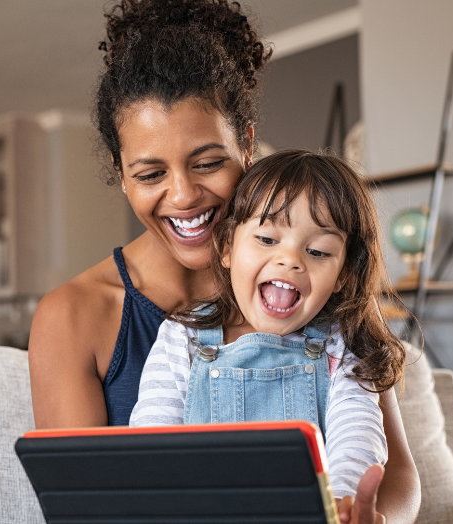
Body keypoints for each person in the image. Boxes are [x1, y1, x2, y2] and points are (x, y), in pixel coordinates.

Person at [28, 1, 421, 522]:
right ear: (121, 176)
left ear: (248, 145)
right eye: (149, 175)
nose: (184, 195)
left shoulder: (317, 289)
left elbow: (396, 475)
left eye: (209, 163)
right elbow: (86, 506)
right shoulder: (73, 317)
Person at [129, 150, 406, 519]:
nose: (290, 260)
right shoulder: (182, 337)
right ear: (227, 247)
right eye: (266, 239)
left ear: (342, 274)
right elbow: (151, 442)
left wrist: (341, 501)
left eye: (318, 251)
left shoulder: (341, 344)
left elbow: (357, 434)